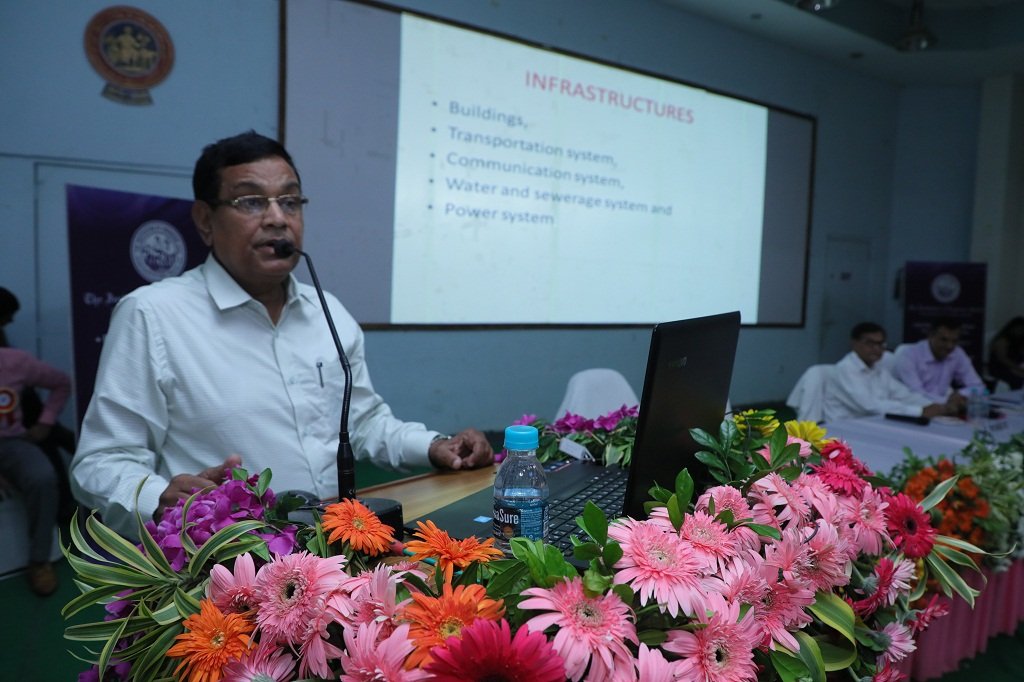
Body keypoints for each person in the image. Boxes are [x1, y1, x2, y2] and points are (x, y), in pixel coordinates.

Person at [71, 131, 493, 539]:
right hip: (226, 570)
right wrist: (157, 495)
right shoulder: (153, 315)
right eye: (251, 201)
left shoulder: (327, 311)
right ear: (204, 220)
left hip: (330, 551)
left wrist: (437, 446)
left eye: (290, 201)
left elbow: (363, 423)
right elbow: (101, 461)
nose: (277, 218)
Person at [0, 345, 71, 596]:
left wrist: (46, 421)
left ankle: (39, 559)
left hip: (9, 442)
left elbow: (62, 383)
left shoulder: (13, 361)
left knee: (42, 475)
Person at [823, 322, 959, 422]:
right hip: (843, 429)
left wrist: (931, 406)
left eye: (881, 344)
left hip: (871, 424)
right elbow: (870, 406)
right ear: (854, 343)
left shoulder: (877, 368)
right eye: (870, 344)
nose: (877, 349)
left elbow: (902, 394)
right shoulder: (845, 369)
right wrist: (919, 411)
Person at [892, 318, 984, 405]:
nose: (949, 346)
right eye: (944, 340)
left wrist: (961, 395)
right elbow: (917, 395)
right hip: (910, 410)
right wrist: (949, 401)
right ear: (930, 335)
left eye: (954, 341)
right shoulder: (908, 355)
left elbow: (978, 386)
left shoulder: (957, 353)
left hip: (943, 411)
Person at [988, 316, 1024, 390]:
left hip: (1014, 366)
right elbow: (1002, 359)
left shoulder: (1019, 340)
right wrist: (1017, 368)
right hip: (1000, 368)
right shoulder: (1002, 340)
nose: (1020, 331)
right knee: (1017, 379)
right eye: (1018, 329)